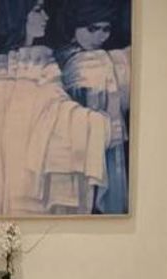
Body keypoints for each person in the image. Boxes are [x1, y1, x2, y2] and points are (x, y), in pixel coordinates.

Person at [0, 0, 111, 215]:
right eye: (37, 10)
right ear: (16, 14)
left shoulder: (30, 64)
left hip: (22, 181)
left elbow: (56, 109)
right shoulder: (16, 66)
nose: (46, 16)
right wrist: (97, 124)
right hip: (13, 178)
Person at [55, 0, 130, 214]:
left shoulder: (102, 60)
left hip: (102, 142)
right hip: (71, 144)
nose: (100, 37)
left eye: (106, 29)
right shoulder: (62, 57)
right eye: (92, 29)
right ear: (75, 26)